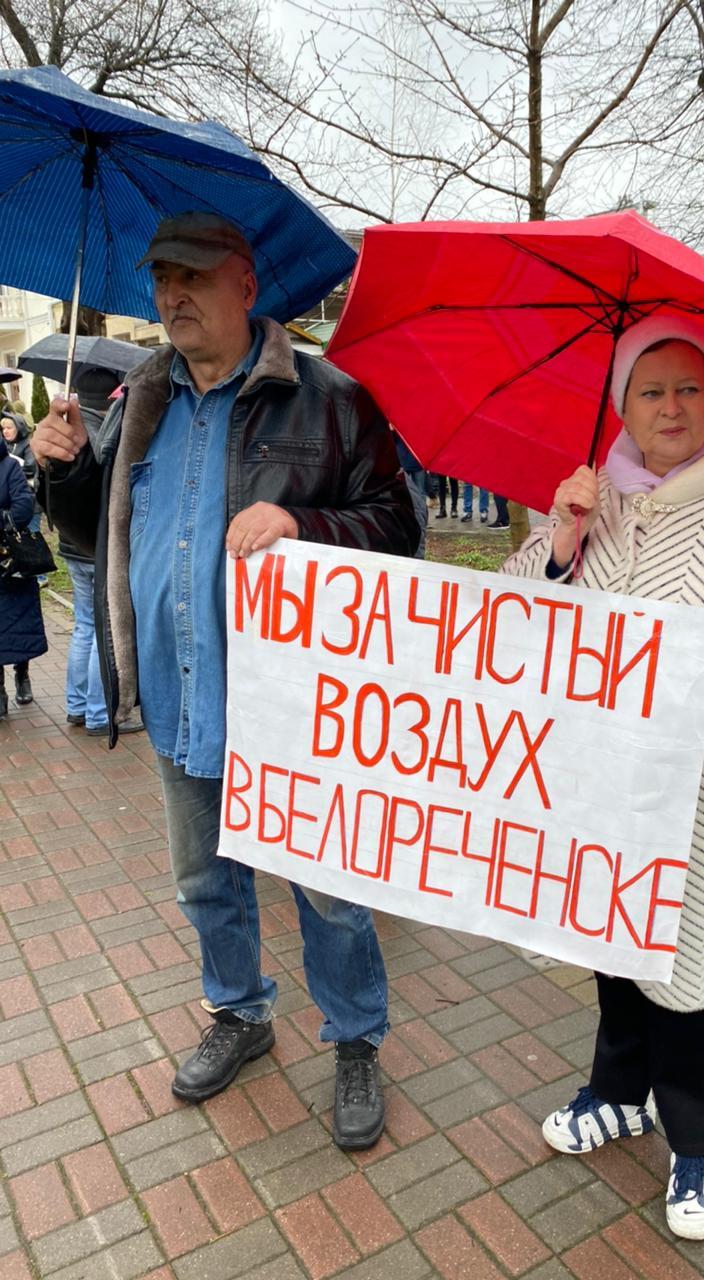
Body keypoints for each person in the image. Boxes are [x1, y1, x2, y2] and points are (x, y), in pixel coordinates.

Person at [32, 211, 420, 1149]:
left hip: (291, 707)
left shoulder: (327, 397)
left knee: (323, 888)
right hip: (176, 689)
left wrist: (303, 527)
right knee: (205, 878)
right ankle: (240, 1012)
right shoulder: (140, 399)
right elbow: (96, 536)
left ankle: (356, 1037)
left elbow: (400, 525)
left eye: (195, 277)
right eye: (164, 277)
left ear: (247, 286)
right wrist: (67, 470)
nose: (173, 296)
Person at [502, 316, 704, 1242]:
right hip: (602, 786)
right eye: (650, 391)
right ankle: (618, 1092)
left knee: (689, 968)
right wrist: (563, 546)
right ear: (623, 408)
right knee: (614, 941)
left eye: (688, 387)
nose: (671, 406)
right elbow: (520, 618)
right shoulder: (583, 499)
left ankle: (694, 1142)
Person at [61, 370, 144, 736]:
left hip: (70, 546)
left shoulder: (71, 430)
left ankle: (76, 705)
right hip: (99, 547)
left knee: (83, 626)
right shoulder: (113, 428)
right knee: (101, 629)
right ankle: (98, 713)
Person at [0, 430, 47, 717]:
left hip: (12, 559)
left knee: (20, 620)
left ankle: (22, 674)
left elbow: (24, 506)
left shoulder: (10, 466)